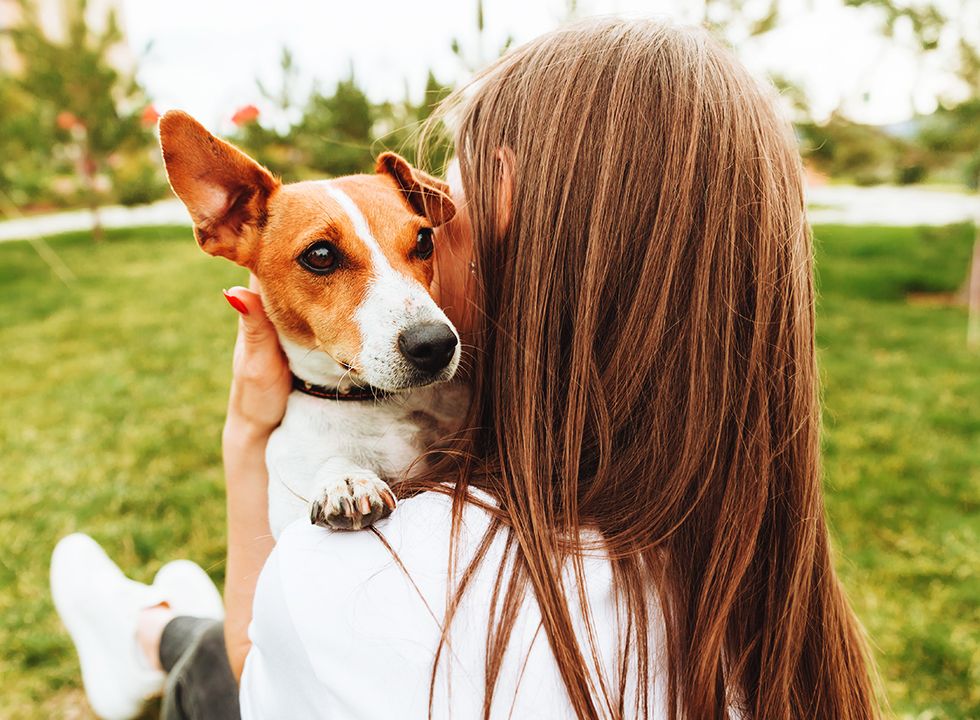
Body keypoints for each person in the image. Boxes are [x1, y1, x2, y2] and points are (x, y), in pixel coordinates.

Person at [50, 18, 881, 720]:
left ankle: (141, 625)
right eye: (326, 259)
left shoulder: (357, 585)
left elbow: (253, 667)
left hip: (269, 664)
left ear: (530, 218)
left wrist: (245, 440)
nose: (426, 262)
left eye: (429, 225)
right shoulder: (747, 554)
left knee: (202, 652)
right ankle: (151, 612)